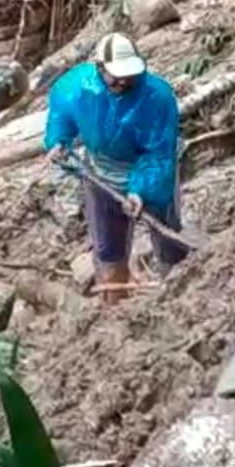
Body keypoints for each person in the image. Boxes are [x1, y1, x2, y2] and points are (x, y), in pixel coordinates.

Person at [44, 32, 182, 301]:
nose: (123, 81)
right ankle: (115, 304)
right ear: (99, 68)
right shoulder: (76, 87)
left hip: (151, 171)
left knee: (169, 242)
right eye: (116, 75)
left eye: (128, 75)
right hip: (100, 173)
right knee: (108, 249)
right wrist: (58, 142)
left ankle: (176, 294)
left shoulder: (157, 97)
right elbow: (61, 116)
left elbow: (158, 153)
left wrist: (140, 190)